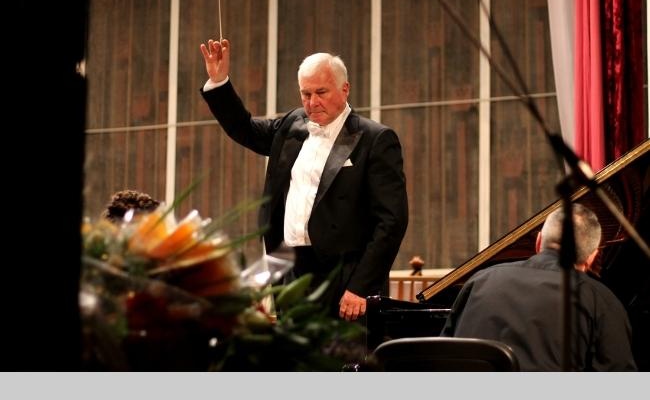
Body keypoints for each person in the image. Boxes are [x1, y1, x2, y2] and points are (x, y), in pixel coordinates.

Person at [199, 38, 408, 321]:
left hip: (345, 277)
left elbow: (391, 222)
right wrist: (220, 82)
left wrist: (361, 287)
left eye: (321, 92)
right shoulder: (292, 125)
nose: (312, 102)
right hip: (291, 272)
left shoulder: (376, 139)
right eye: (305, 94)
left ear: (345, 89)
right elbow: (245, 129)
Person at [440, 203, 637, 371]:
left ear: (538, 241)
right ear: (591, 257)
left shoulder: (480, 280)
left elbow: (441, 358)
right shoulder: (600, 300)